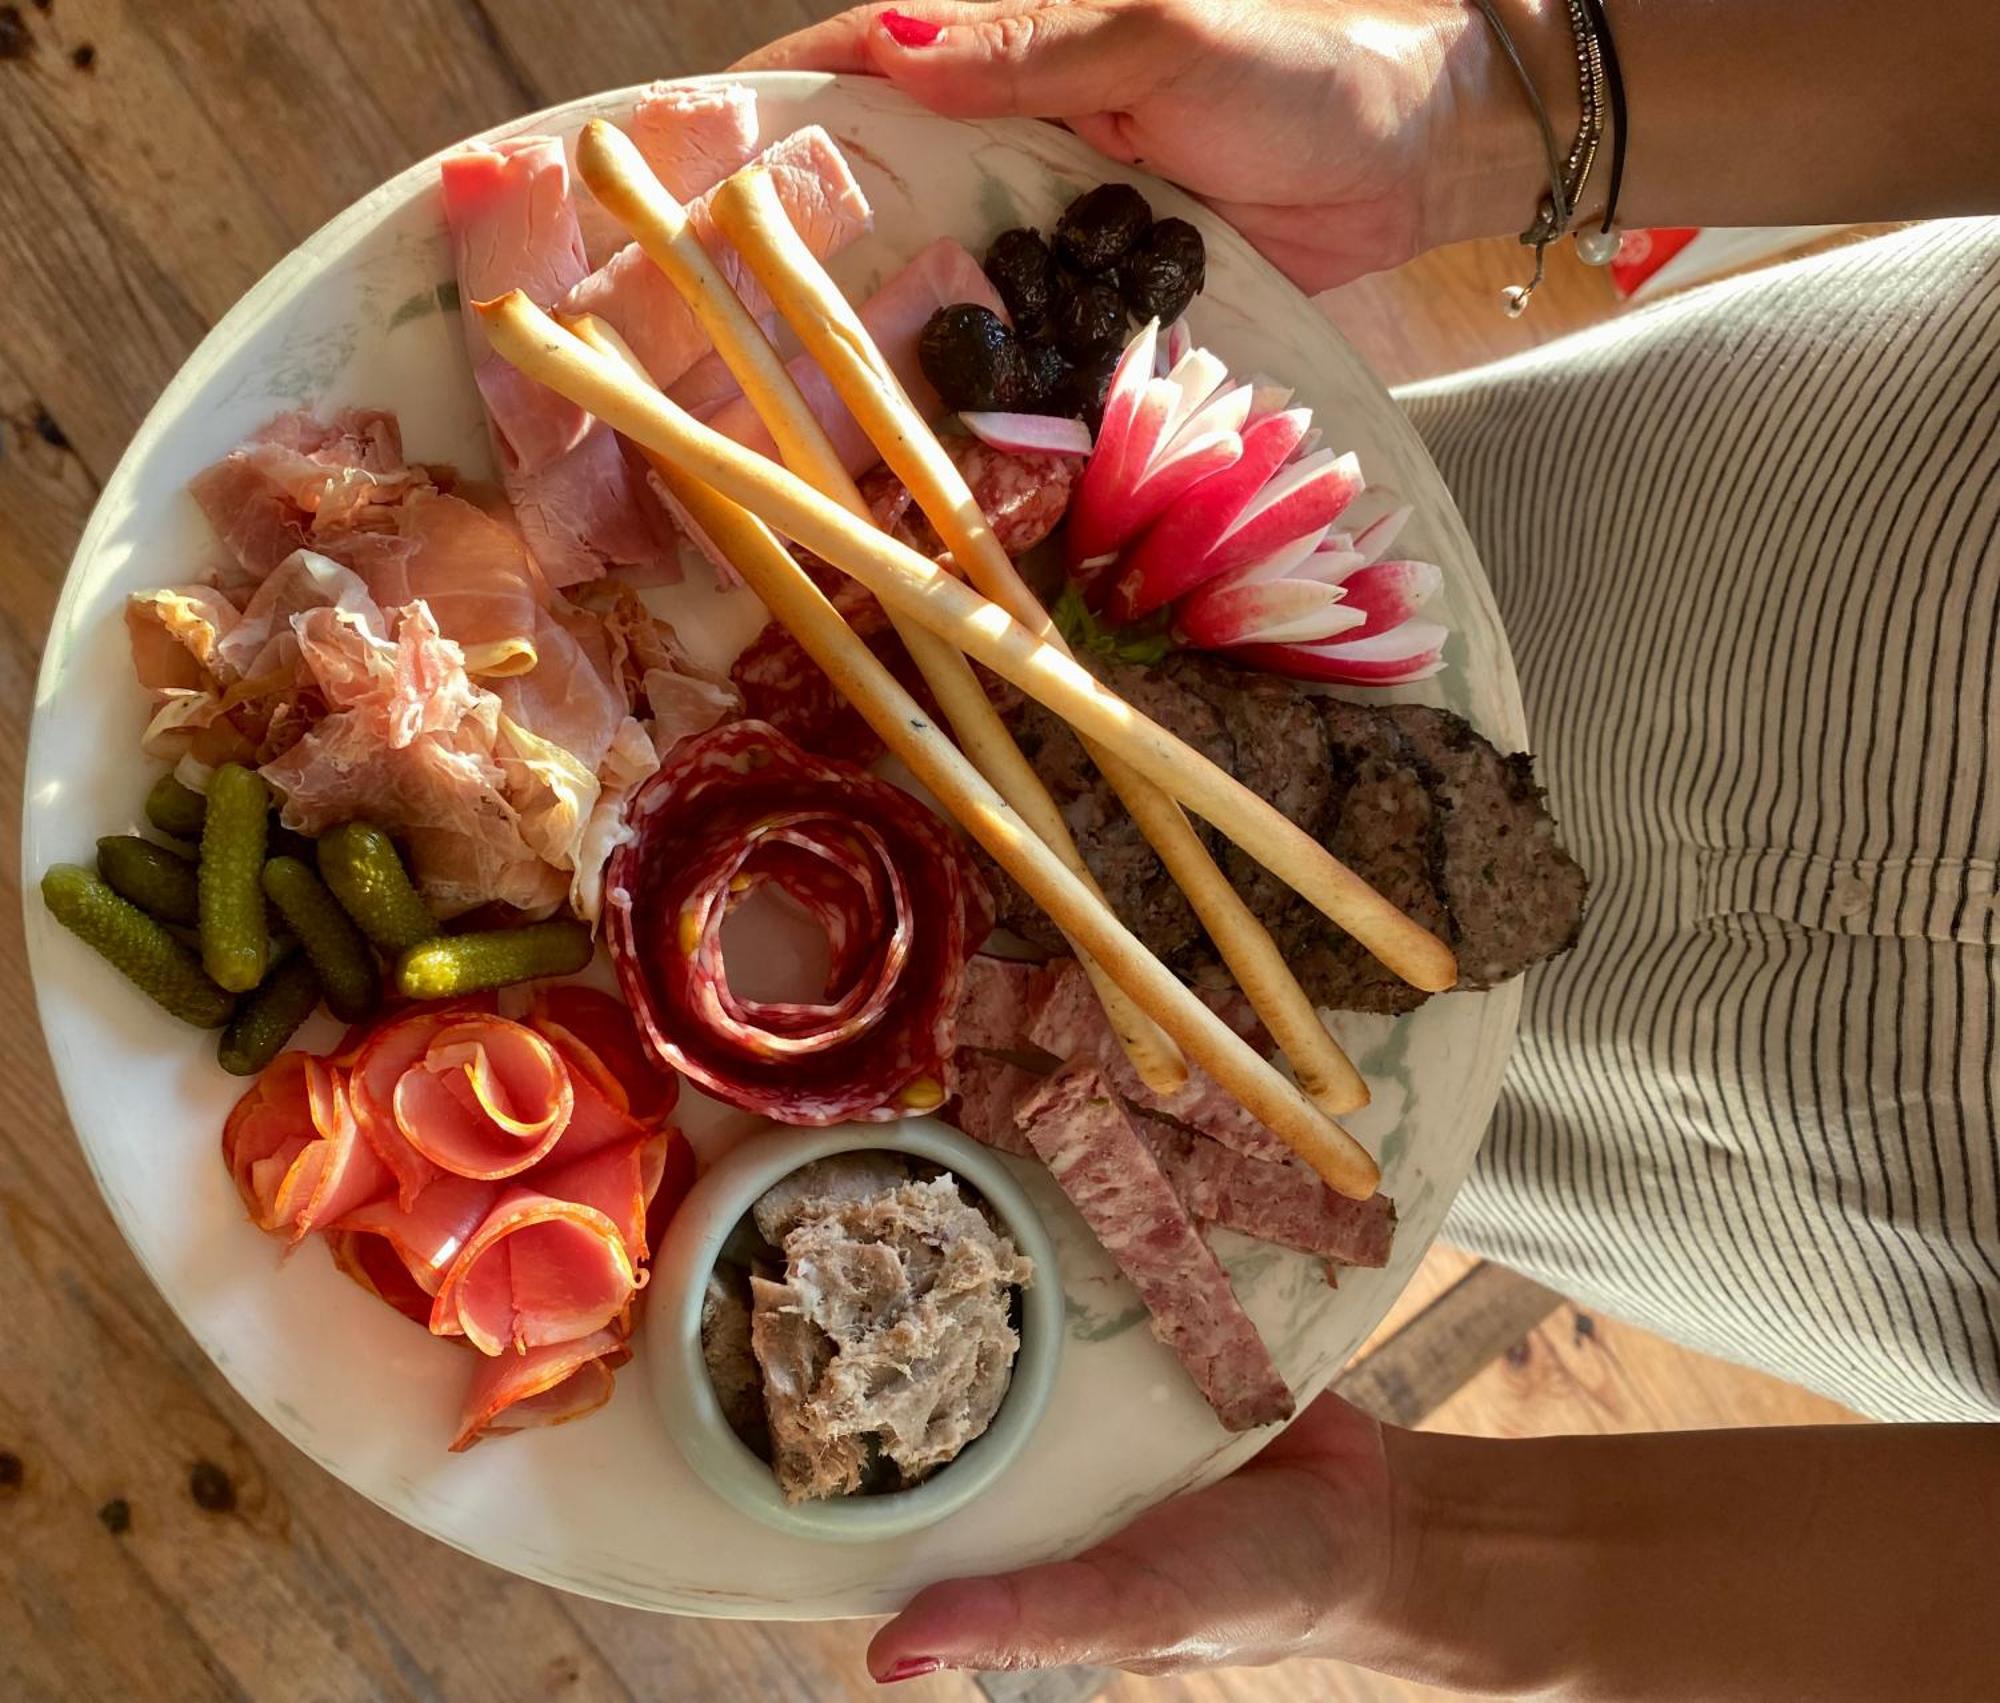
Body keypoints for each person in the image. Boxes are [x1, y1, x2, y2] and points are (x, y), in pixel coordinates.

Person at [742, 2, 2000, 1694]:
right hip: (1837, 518)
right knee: (1337, 602)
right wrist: (1473, 113)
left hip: (1846, 1195)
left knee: (1347, 1112)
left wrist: (1412, 1560)